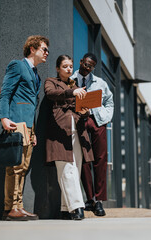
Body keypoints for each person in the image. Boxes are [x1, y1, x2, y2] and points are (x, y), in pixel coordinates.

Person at [0, 35, 49, 221]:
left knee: (23, 166)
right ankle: (10, 207)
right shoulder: (17, 65)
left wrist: (33, 131)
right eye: (44, 49)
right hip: (16, 122)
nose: (47, 53)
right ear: (32, 49)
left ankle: (18, 206)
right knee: (15, 167)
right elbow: (5, 93)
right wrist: (3, 117)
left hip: (28, 125)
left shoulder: (35, 73)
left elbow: (31, 104)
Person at [44, 55, 94, 220]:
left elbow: (83, 110)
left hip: (78, 132)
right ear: (58, 68)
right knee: (66, 171)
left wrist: (85, 111)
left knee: (75, 170)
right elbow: (51, 94)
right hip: (59, 133)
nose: (68, 69)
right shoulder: (51, 81)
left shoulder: (77, 85)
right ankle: (78, 207)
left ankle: (66, 209)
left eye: (70, 66)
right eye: (65, 66)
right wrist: (73, 91)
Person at [71, 53, 114, 216]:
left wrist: (105, 117)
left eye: (91, 66)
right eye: (86, 64)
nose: (87, 68)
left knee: (100, 160)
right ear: (81, 61)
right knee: (83, 160)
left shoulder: (100, 83)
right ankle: (90, 199)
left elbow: (109, 102)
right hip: (79, 122)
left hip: (97, 122)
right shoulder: (71, 80)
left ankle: (100, 201)